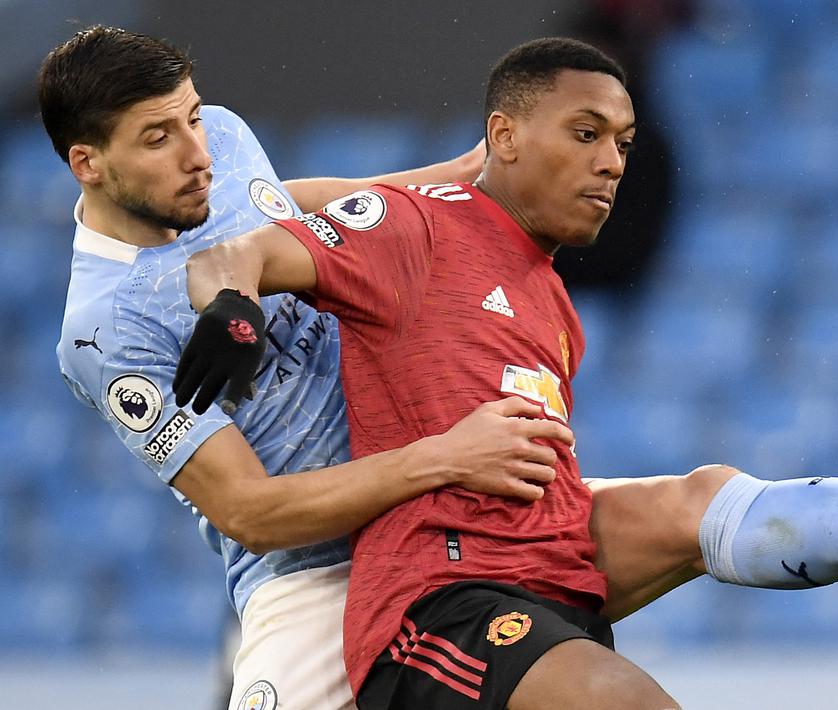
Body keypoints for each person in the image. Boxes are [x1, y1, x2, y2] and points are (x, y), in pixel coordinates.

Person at [176, 37, 838, 709]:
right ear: (503, 137)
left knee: (700, 497)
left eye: (621, 141)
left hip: (551, 582)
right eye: (585, 135)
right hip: (437, 606)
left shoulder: (547, 294)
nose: (613, 162)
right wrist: (233, 313)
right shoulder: (418, 230)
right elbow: (236, 250)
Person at [41, 26, 571, 710]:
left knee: (683, 509)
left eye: (193, 116)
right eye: (157, 138)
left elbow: (287, 200)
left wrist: (459, 177)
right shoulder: (103, 332)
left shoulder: (220, 143)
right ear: (88, 163)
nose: (198, 153)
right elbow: (250, 512)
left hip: (442, 510)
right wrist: (443, 456)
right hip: (319, 576)